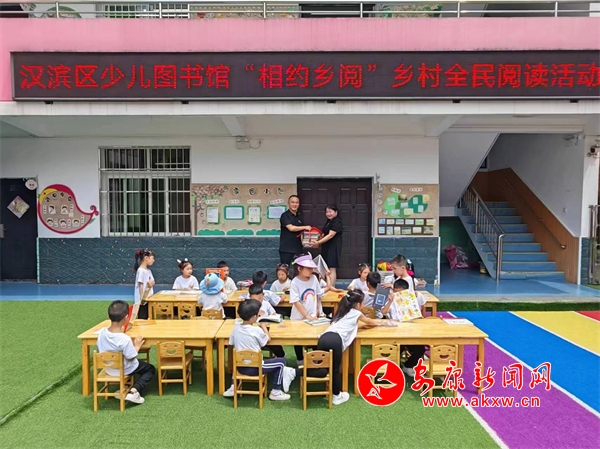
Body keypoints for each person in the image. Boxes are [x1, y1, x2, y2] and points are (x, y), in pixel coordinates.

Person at [297, 290, 393, 405]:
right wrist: (382, 323)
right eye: (362, 302)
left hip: (324, 338)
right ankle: (336, 396)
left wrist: (361, 326)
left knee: (323, 369)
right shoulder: (356, 313)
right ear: (358, 304)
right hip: (335, 340)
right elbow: (369, 321)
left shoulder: (341, 311)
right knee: (335, 370)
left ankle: (292, 372)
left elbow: (350, 324)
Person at [222, 299, 295, 400]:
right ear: (254, 317)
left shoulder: (236, 329)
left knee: (237, 357)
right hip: (255, 367)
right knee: (281, 362)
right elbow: (267, 340)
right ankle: (276, 392)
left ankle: (233, 387)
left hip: (239, 367)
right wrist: (263, 326)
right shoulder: (256, 330)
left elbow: (231, 343)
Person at [96, 300, 156, 405]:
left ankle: (124, 387)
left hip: (109, 369)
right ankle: (134, 391)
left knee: (135, 364)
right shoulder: (124, 339)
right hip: (124, 369)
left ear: (109, 316)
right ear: (126, 318)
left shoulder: (101, 333)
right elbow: (131, 357)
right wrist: (137, 346)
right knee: (150, 369)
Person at [381, 279, 426, 377]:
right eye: (397, 292)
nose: (399, 295)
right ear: (394, 290)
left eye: (401, 292)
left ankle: (408, 365)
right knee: (396, 348)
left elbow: (418, 314)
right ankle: (394, 367)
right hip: (395, 331)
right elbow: (383, 312)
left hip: (410, 331)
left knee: (420, 349)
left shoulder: (411, 299)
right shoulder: (391, 300)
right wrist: (390, 301)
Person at [289, 254, 323, 367]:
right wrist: (307, 315)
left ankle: (316, 360)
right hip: (298, 318)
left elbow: (317, 295)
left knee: (314, 338)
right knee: (298, 340)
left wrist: (317, 310)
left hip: (312, 316)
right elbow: (296, 301)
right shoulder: (295, 282)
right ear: (299, 268)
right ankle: (300, 360)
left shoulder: (314, 279)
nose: (311, 270)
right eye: (308, 268)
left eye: (311, 268)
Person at [247, 283, 285, 358]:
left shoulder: (266, 304)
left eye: (260, 298)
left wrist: (274, 317)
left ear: (263, 295)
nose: (257, 302)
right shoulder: (247, 306)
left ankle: (281, 358)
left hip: (266, 331)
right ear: (250, 297)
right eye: (254, 300)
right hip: (252, 333)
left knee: (275, 345)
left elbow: (274, 314)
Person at [312, 205, 343, 288]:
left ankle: (331, 287)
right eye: (327, 212)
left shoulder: (337, 222)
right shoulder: (329, 221)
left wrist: (318, 242)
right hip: (326, 247)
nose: (328, 214)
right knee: (325, 267)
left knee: (332, 268)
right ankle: (326, 286)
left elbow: (330, 235)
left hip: (333, 247)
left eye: (330, 212)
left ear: (336, 212)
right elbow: (324, 234)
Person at [279, 195, 312, 266]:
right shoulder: (285, 215)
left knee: (299, 268)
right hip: (286, 249)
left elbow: (301, 232)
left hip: (298, 248)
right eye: (293, 202)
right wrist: (305, 227)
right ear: (288, 203)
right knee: (285, 268)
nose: (295, 204)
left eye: (297, 202)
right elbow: (291, 228)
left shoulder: (299, 216)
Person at [134, 249, 155, 320]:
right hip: (142, 301)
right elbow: (140, 285)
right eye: (152, 258)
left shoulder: (148, 271)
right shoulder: (141, 271)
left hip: (148, 298)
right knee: (142, 318)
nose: (153, 260)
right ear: (146, 258)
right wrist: (142, 298)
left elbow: (153, 281)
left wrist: (152, 283)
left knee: (149, 315)